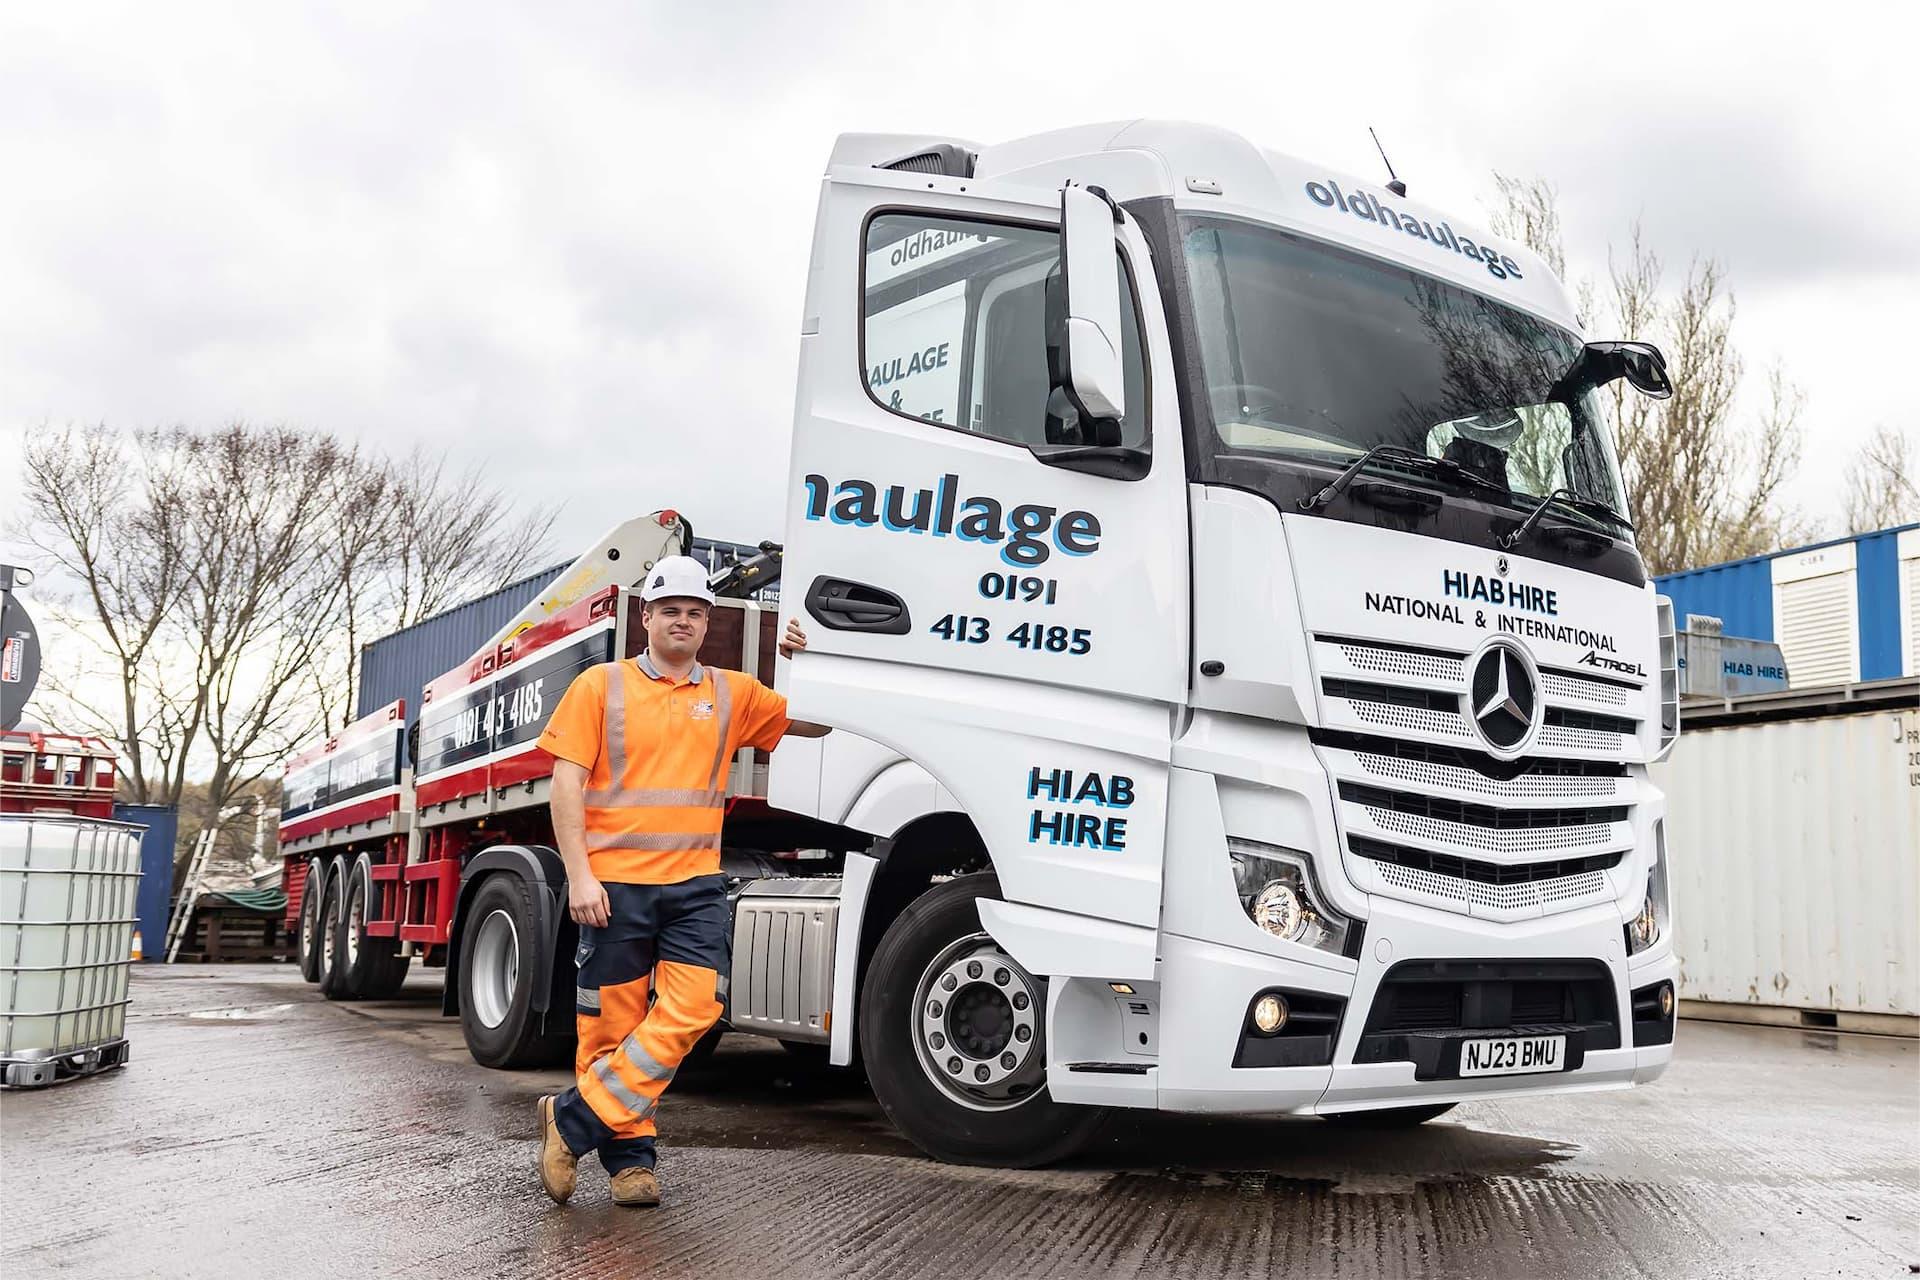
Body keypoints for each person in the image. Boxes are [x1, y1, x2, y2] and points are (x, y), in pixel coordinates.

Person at [532, 555, 829, 1207]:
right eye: (671, 610)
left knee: (695, 1009)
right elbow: (565, 785)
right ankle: (631, 1164)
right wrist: (579, 876)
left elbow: (817, 720)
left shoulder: (732, 693)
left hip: (694, 886)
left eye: (695, 612)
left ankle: (573, 1120)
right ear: (646, 618)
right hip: (614, 887)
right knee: (610, 1031)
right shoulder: (599, 687)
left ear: (707, 622)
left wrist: (809, 660)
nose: (684, 621)